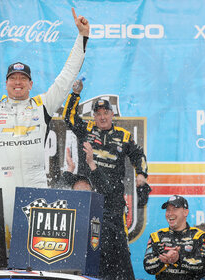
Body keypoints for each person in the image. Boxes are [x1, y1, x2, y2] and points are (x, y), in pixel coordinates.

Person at [0, 8, 90, 231]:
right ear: (6, 84)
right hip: (3, 191)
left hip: (37, 191)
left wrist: (82, 36)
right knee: (4, 259)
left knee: (36, 256)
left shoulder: (42, 105)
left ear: (31, 84)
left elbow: (67, 76)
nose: (18, 82)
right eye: (13, 78)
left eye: (23, 78)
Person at [63, 80, 148, 279]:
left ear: (112, 114)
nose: (102, 117)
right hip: (90, 201)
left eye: (105, 113)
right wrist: (75, 94)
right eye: (98, 113)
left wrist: (142, 175)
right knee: (89, 250)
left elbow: (139, 156)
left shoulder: (124, 136)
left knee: (119, 252)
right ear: (94, 116)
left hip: (113, 203)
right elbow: (68, 117)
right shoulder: (85, 131)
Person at [144, 195, 205, 279]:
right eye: (168, 210)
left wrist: (179, 259)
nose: (170, 214)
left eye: (174, 209)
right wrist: (163, 261)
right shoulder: (156, 236)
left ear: (185, 212)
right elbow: (147, 266)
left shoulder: (199, 236)